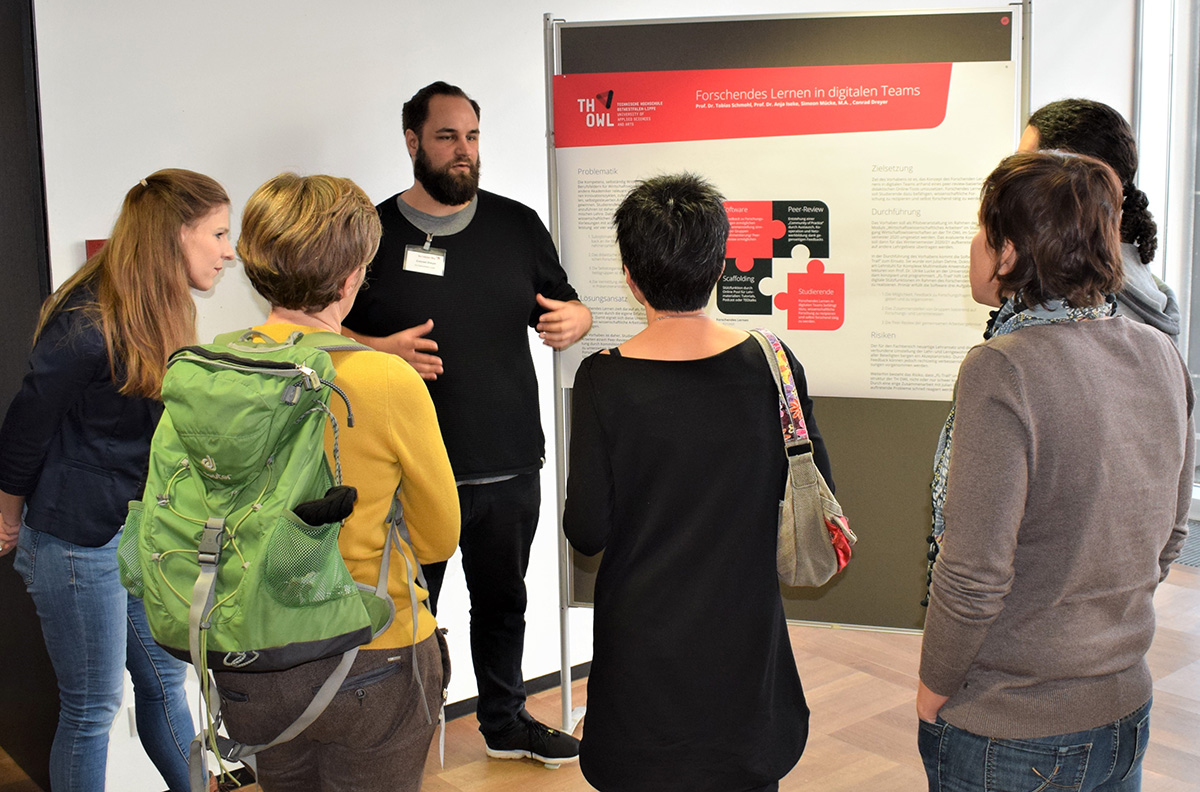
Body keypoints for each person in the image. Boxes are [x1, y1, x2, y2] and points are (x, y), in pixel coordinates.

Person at [917, 151, 1193, 792]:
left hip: (1015, 728)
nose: (975, 244)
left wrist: (934, 689)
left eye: (984, 228)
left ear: (1010, 252)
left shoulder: (1002, 368)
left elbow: (972, 572)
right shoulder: (1158, 351)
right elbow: (1170, 536)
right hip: (1124, 707)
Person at [341, 81, 592, 764]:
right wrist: (379, 348)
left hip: (509, 462)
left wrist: (579, 320)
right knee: (404, 618)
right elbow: (320, 333)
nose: (464, 151)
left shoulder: (516, 225)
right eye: (448, 136)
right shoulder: (372, 233)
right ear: (412, 141)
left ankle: (505, 726)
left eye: (472, 136)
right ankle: (395, 740)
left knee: (503, 603)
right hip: (409, 474)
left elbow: (567, 305)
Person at [562, 173, 825, 792]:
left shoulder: (603, 381)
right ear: (720, 266)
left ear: (629, 274)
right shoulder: (775, 363)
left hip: (642, 649)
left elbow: (587, 530)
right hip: (744, 639)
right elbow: (811, 496)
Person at [211, 173, 461, 792]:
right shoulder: (383, 379)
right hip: (372, 651)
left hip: (253, 655)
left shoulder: (211, 367)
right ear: (350, 279)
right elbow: (437, 538)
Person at [0, 169, 233, 792]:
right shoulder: (86, 322)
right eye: (217, 234)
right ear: (176, 235)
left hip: (131, 536)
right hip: (74, 540)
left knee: (163, 685)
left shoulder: (157, 305)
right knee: (91, 709)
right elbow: (26, 425)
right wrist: (7, 514)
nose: (228, 250)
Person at [1020, 98, 1180, 344]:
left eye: (1025, 166)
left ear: (1071, 179)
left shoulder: (1089, 306)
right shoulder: (1145, 288)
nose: (1012, 181)